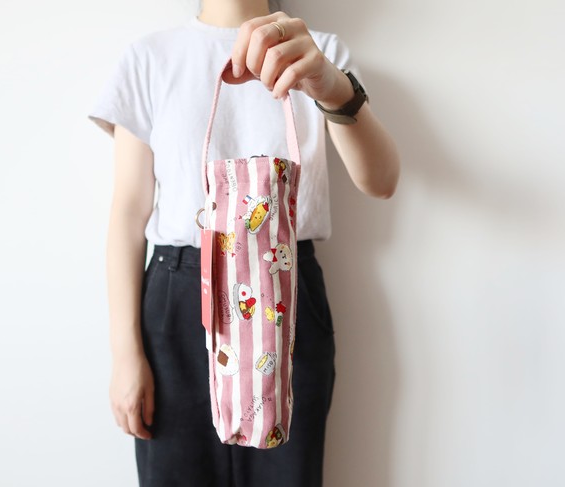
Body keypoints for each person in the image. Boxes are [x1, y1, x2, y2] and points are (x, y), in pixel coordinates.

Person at [87, 0, 400, 485]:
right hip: (177, 304)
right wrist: (125, 354)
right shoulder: (149, 58)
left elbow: (381, 181)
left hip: (288, 294)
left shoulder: (320, 52)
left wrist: (330, 85)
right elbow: (128, 214)